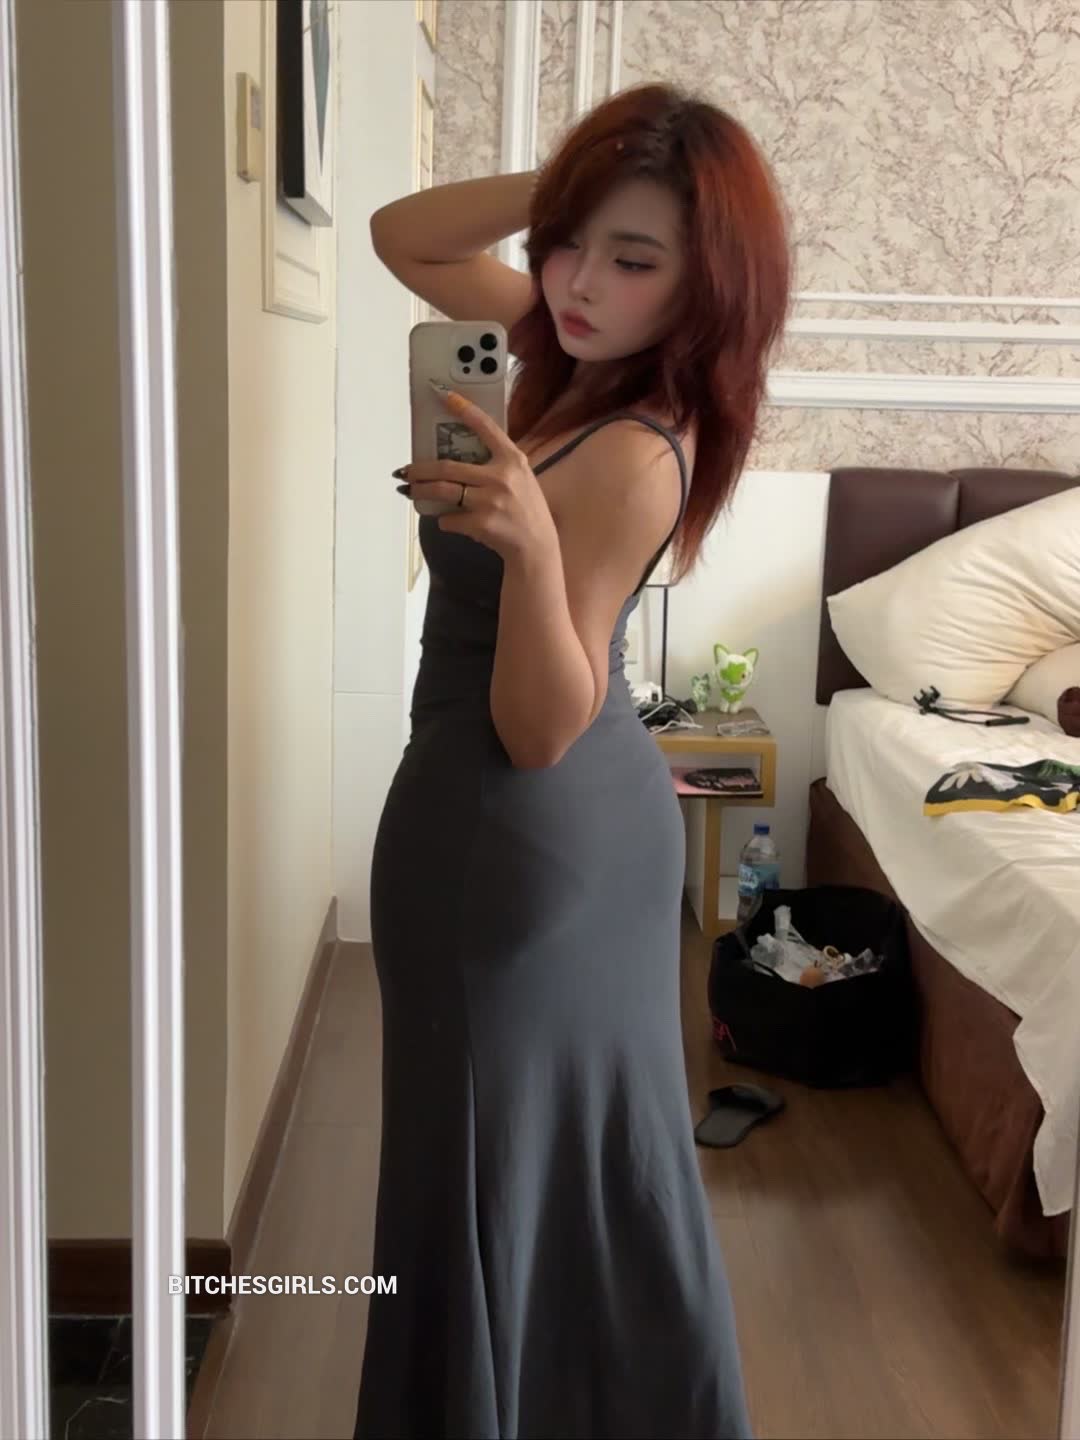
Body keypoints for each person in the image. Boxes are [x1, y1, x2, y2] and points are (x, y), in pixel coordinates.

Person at [352, 81, 791, 1440]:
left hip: (520, 823)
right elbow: (403, 233)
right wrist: (574, 183)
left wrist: (531, 548)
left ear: (707, 284)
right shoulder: (560, 350)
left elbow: (538, 726)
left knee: (493, 1155)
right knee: (549, 1159)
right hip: (547, 831)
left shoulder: (636, 451)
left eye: (634, 258)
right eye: (568, 246)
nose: (583, 284)